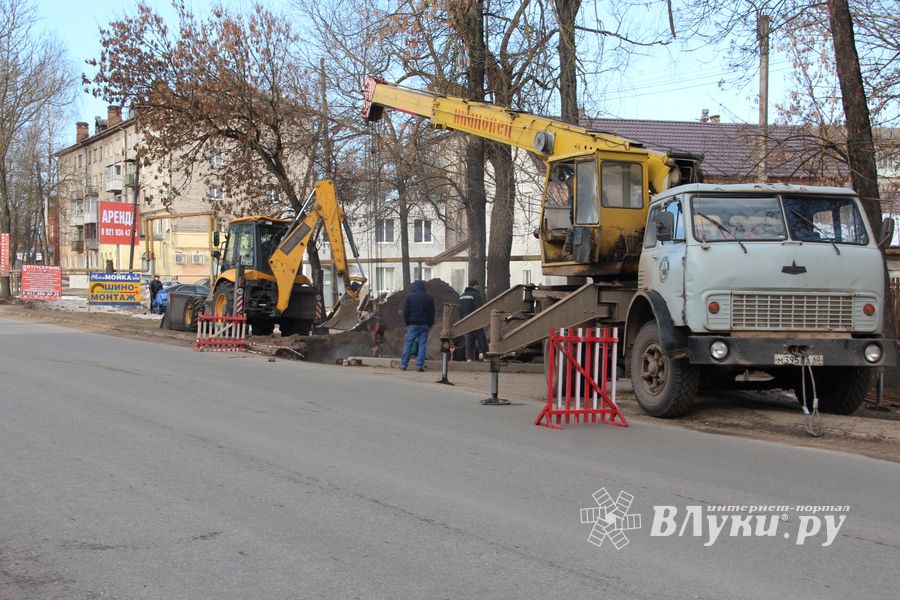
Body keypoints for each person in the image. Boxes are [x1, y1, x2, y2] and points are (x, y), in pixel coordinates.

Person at [400, 280, 435, 372]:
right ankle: (419, 366)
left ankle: (404, 365)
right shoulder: (429, 297)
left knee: (408, 344)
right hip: (424, 325)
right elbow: (432, 314)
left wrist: (408, 323)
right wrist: (429, 324)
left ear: (414, 287)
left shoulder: (410, 297)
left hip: (412, 324)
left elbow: (405, 312)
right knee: (422, 345)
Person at [459, 279, 488, 361]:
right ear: (475, 285)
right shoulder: (475, 295)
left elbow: (460, 309)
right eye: (478, 286)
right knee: (481, 337)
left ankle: (469, 357)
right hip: (475, 320)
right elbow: (479, 308)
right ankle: (484, 355)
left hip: (465, 320)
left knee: (469, 338)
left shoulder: (462, 295)